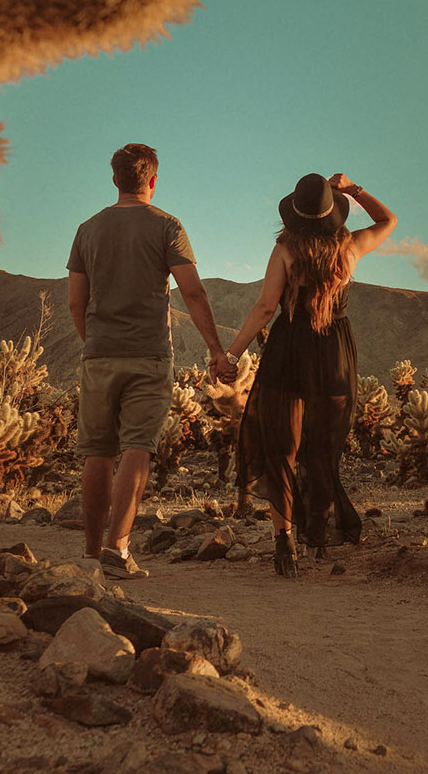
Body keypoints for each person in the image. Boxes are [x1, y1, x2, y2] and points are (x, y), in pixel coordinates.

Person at [215, 172, 396, 578]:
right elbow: (389, 222)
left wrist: (231, 354)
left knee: (283, 447)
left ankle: (285, 542)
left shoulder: (285, 249)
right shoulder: (348, 247)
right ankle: (317, 537)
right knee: (322, 448)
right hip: (334, 354)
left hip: (289, 350)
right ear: (332, 213)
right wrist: (355, 190)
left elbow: (265, 308)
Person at [67, 144, 228, 579]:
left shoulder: (87, 230)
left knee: (97, 453)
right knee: (137, 446)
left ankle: (90, 554)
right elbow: (193, 293)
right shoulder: (167, 226)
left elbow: (75, 302)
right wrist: (215, 348)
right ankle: (118, 551)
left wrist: (95, 341)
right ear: (152, 181)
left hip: (99, 353)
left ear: (115, 179)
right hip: (150, 355)